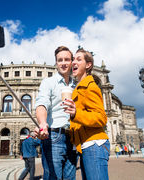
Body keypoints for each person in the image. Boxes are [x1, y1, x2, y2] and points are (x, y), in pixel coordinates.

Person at [63, 47, 110, 180]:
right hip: (87, 145)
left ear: (88, 65)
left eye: (78, 59)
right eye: (73, 60)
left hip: (94, 144)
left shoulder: (90, 86)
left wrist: (76, 113)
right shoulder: (80, 86)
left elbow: (101, 118)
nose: (73, 62)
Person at [34, 46, 78, 179]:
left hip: (73, 137)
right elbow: (42, 104)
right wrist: (42, 123)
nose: (63, 63)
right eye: (60, 60)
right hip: (54, 136)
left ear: (71, 62)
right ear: (56, 63)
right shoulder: (48, 82)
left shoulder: (76, 85)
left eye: (67, 59)